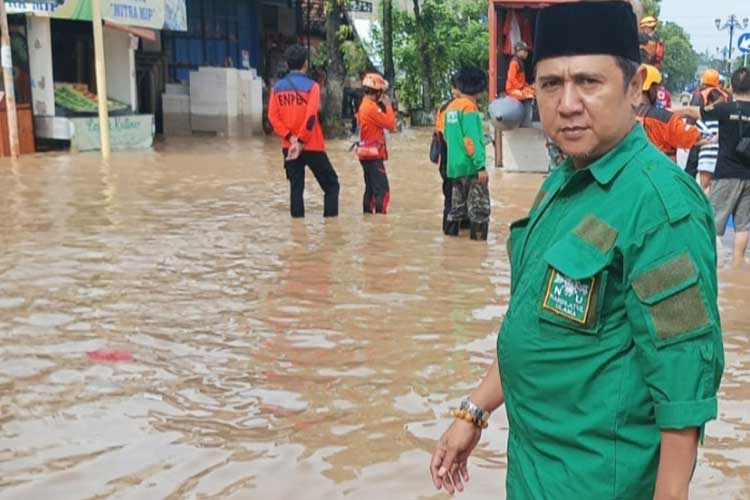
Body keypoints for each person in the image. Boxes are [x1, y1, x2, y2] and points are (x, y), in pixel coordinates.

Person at [430, 2, 724, 498]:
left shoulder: (659, 209)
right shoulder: (565, 183)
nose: (567, 103)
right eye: (550, 84)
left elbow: (682, 386)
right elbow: (539, 322)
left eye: (589, 82)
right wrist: (475, 409)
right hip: (533, 474)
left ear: (634, 91)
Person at [676, 67, 750, 268]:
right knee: (743, 226)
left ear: (732, 87)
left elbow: (695, 112)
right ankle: (736, 267)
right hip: (748, 177)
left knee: (713, 222)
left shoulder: (726, 109)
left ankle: (709, 266)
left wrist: (672, 113)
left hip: (726, 174)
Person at [267, 45, 340, 218]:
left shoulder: (277, 88)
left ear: (287, 63)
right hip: (312, 145)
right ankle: (331, 232)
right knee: (331, 185)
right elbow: (310, 118)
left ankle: (297, 236)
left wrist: (291, 138)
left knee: (296, 189)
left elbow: (273, 118)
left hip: (289, 147)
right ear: (305, 64)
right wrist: (300, 141)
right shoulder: (312, 87)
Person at [444, 67, 490, 240]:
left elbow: (447, 136)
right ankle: (478, 255)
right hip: (471, 167)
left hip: (454, 167)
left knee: (456, 209)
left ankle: (450, 247)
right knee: (479, 211)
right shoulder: (469, 108)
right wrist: (481, 166)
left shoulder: (450, 108)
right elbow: (471, 140)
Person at [637, 64, 706, 162]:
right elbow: (695, 137)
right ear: (651, 88)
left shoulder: (621, 115)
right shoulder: (665, 118)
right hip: (659, 172)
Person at [356, 73, 396, 214]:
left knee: (371, 190)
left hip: (365, 154)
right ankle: (380, 225)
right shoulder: (371, 108)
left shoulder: (364, 106)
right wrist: (388, 106)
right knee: (383, 192)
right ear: (378, 92)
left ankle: (369, 221)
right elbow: (391, 124)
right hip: (373, 156)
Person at [685, 69, 730, 178]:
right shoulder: (724, 95)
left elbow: (691, 116)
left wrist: (687, 134)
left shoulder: (698, 94)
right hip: (718, 137)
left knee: (691, 169)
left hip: (700, 135)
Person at [434, 77, 460, 232]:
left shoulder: (445, 107)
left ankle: (452, 245)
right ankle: (450, 231)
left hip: (448, 161)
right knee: (452, 200)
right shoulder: (452, 108)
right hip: (453, 162)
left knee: (453, 199)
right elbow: (447, 136)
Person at [695, 89, 725, 193]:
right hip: (707, 158)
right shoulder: (702, 120)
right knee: (704, 188)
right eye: (719, 103)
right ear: (710, 103)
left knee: (717, 190)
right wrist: (711, 141)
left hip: (721, 159)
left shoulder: (724, 119)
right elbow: (695, 141)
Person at [505, 41, 535, 127]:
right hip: (512, 90)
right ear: (519, 51)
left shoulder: (520, 61)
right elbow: (511, 79)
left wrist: (528, 86)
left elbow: (521, 80)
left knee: (532, 92)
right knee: (529, 95)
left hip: (518, 88)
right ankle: (525, 123)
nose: (526, 53)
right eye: (525, 51)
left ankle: (525, 121)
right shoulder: (514, 62)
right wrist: (522, 87)